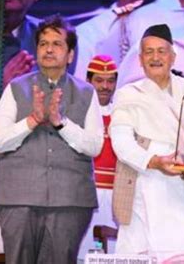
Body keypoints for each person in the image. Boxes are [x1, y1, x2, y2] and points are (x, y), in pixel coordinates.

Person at [0, 15, 104, 264]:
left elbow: (94, 146)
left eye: (57, 44)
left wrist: (61, 123)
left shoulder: (86, 92)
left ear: (71, 55)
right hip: (17, 199)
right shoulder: (16, 88)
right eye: (42, 43)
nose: (49, 49)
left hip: (69, 201)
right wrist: (31, 121)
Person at [109, 24, 184, 263]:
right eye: (148, 52)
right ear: (140, 59)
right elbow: (121, 142)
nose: (155, 57)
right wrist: (153, 161)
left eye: (161, 51)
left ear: (173, 57)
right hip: (147, 183)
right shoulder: (129, 93)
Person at [77, 55, 119, 260]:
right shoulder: (77, 113)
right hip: (84, 194)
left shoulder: (123, 114)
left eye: (110, 81)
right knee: (82, 254)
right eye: (99, 80)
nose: (105, 86)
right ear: (88, 81)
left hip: (116, 197)